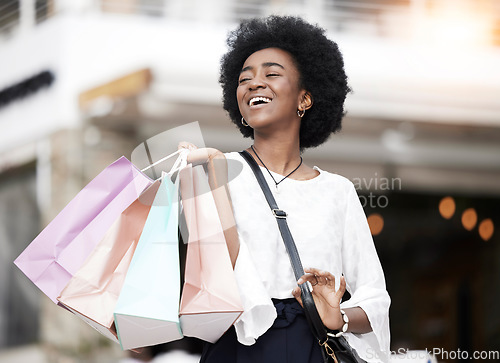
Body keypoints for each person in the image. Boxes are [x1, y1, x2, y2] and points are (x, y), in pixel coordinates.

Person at [179, 15, 390, 363]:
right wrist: (212, 180)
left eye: (271, 74)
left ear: (304, 99)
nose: (254, 84)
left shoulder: (337, 192)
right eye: (244, 78)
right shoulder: (214, 169)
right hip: (238, 348)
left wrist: (338, 318)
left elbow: (375, 298)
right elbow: (216, 275)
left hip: (313, 347)